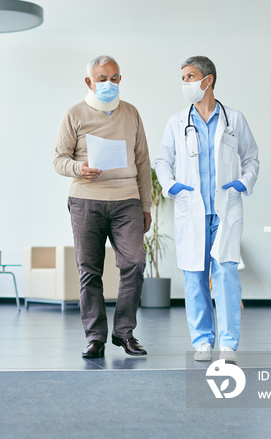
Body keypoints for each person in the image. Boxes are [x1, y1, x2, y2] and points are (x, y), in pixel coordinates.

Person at [155, 56, 260, 363]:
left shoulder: (234, 119)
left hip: (225, 208)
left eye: (190, 76)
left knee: (226, 272)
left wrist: (244, 182)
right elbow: (163, 160)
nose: (185, 83)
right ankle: (202, 342)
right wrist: (170, 185)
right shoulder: (177, 122)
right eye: (183, 77)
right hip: (192, 209)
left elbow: (251, 157)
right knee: (194, 274)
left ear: (208, 80)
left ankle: (228, 344)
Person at [54, 55, 152, 358]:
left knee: (134, 263)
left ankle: (124, 333)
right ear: (89, 82)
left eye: (114, 77)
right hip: (86, 199)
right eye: (101, 79)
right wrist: (78, 168)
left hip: (126, 201)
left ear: (120, 79)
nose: (108, 83)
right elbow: (59, 159)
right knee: (89, 271)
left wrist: (146, 206)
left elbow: (143, 162)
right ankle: (95, 337)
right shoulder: (74, 113)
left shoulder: (132, 113)